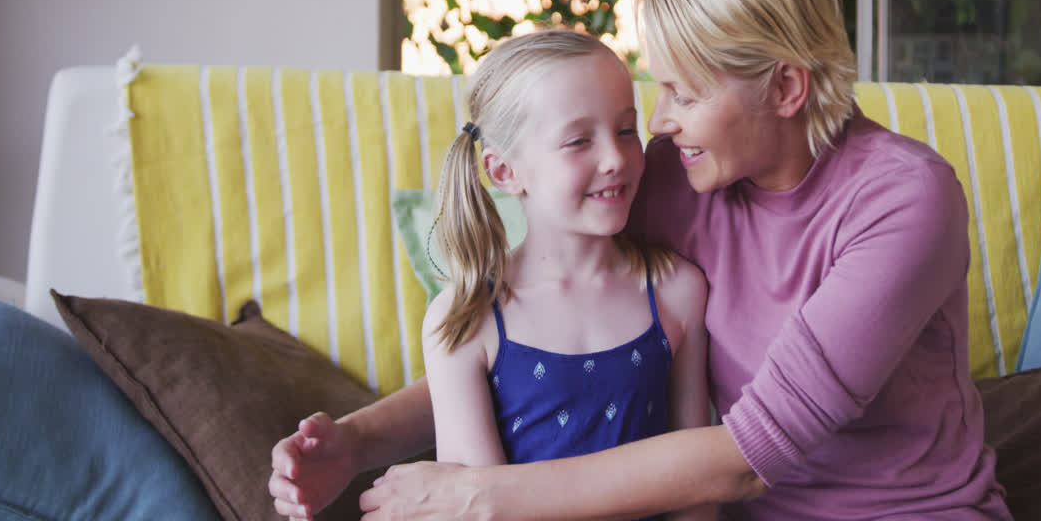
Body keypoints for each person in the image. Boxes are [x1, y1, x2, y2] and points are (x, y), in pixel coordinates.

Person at [270, 0, 1013, 520]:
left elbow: (750, 457)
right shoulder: (673, 178)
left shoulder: (904, 201)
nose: (656, 125)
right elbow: (534, 360)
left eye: (684, 95)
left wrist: (483, 497)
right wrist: (358, 441)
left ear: (786, 88)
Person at [269, 29, 713, 521]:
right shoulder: (465, 319)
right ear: (504, 172)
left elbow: (697, 488)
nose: (615, 158)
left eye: (626, 130)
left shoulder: (678, 292)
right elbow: (471, 506)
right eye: (578, 140)